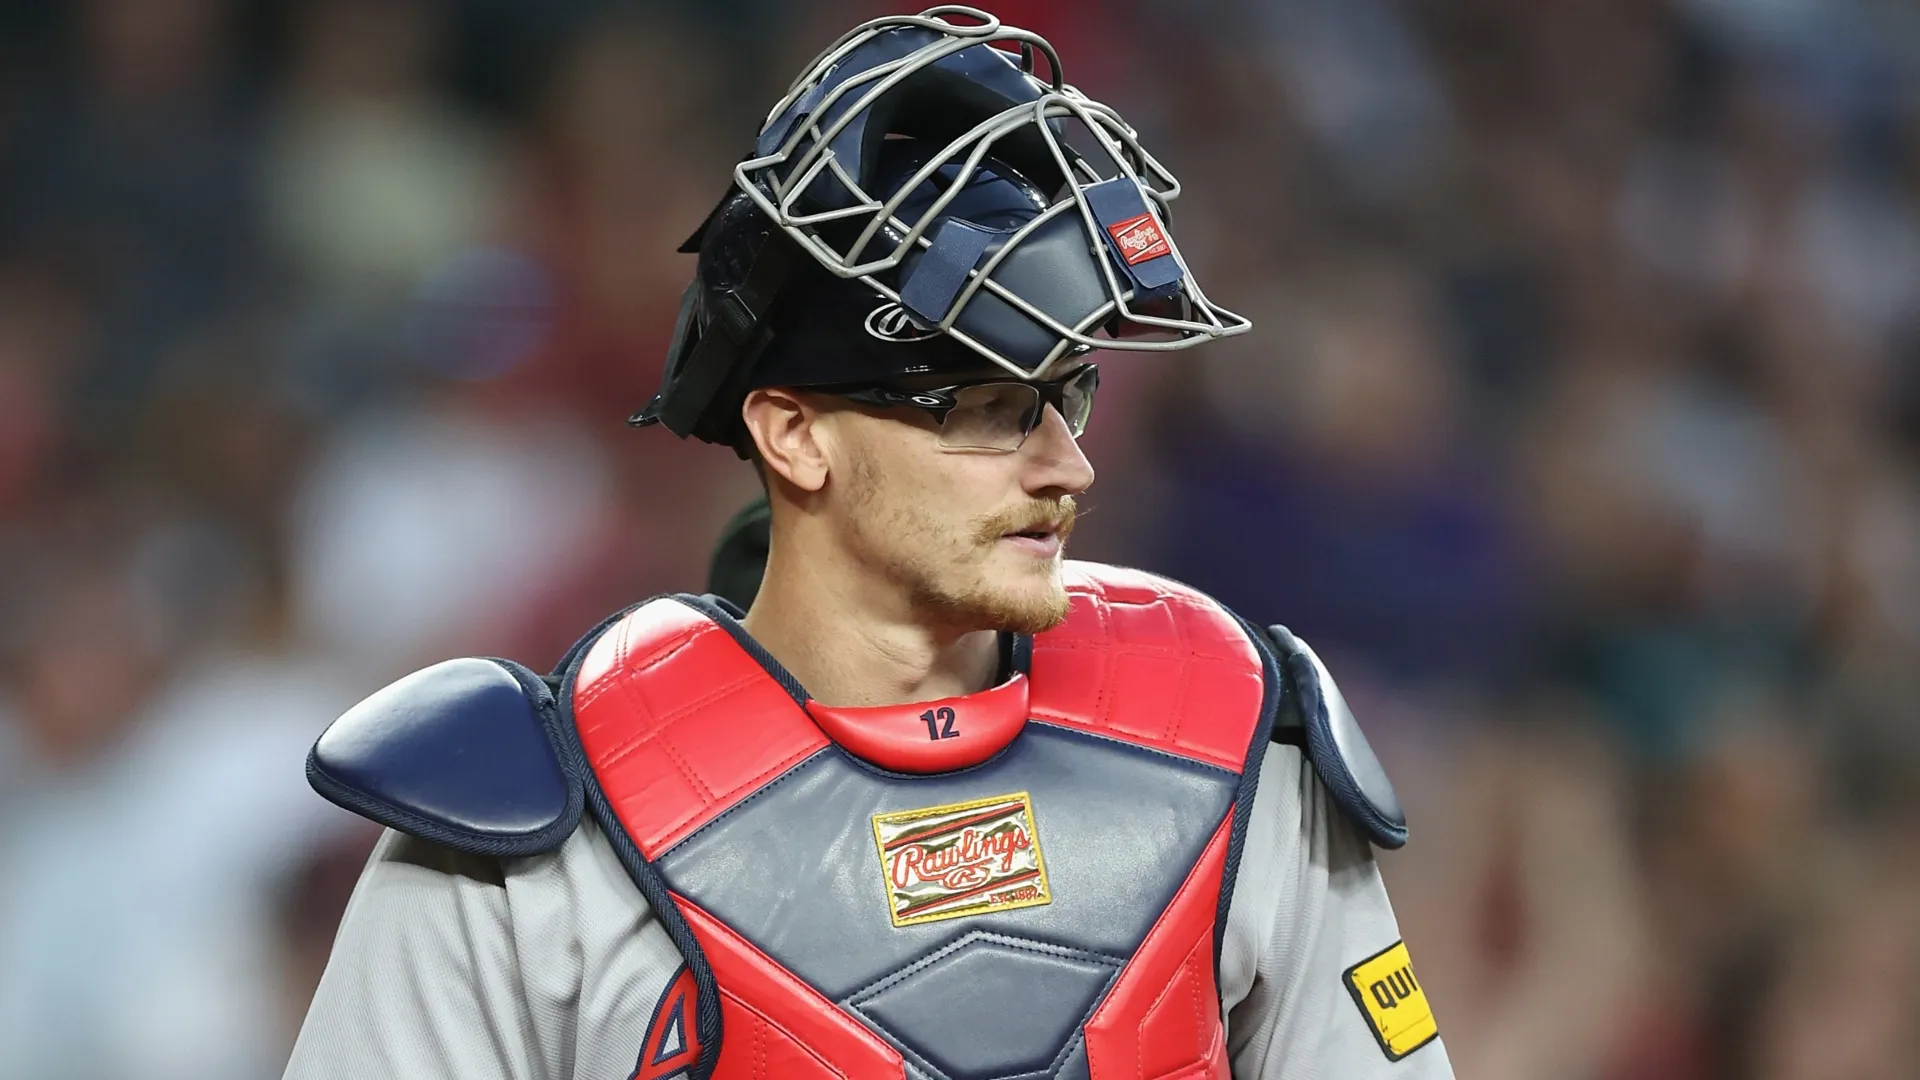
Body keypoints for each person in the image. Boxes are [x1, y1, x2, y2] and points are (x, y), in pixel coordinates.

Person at [284, 8, 1454, 1079]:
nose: (1068, 465)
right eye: (986, 408)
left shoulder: (1234, 733)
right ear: (794, 434)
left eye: (1068, 395)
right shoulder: (526, 831)